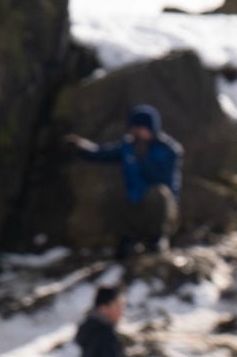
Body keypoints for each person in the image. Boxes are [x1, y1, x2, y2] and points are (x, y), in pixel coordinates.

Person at [67, 104, 183, 261]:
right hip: (134, 197)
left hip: (160, 204)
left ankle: (156, 239)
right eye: (134, 128)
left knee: (158, 194)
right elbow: (102, 153)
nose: (135, 132)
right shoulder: (128, 146)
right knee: (107, 197)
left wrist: (143, 158)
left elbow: (164, 180)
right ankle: (126, 238)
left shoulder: (169, 149)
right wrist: (82, 147)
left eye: (140, 128)